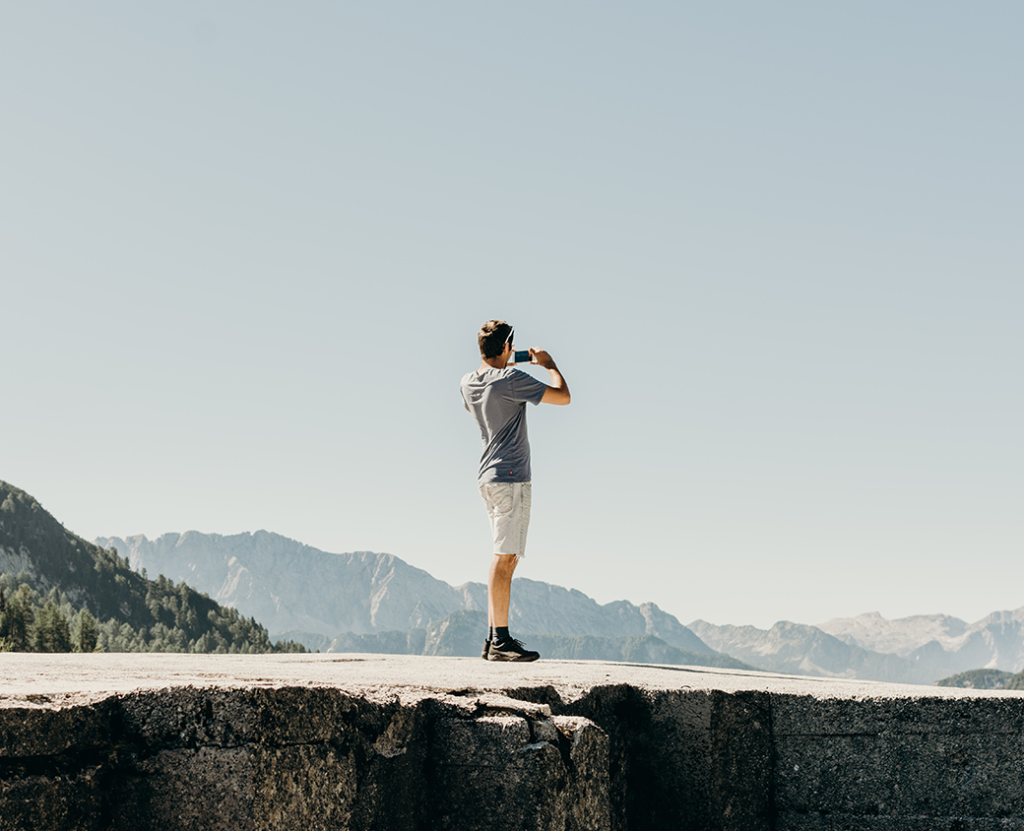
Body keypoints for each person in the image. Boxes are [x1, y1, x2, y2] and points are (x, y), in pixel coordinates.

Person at [460, 320, 570, 662]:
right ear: (507, 347)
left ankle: (493, 636)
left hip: (488, 476)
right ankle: (500, 642)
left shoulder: (467, 383)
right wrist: (549, 364)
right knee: (505, 557)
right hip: (511, 477)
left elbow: (485, 388)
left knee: (501, 553)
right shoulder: (511, 380)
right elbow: (563, 397)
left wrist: (506, 359)